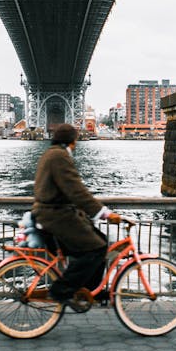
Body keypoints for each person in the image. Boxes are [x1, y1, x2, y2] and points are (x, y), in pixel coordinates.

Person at [32, 122, 122, 307]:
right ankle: (62, 290)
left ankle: (89, 291)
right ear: (72, 141)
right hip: (55, 216)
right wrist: (103, 212)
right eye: (76, 140)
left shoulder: (51, 154)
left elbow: (70, 191)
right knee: (94, 249)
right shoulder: (59, 156)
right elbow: (76, 190)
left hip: (54, 214)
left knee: (101, 242)